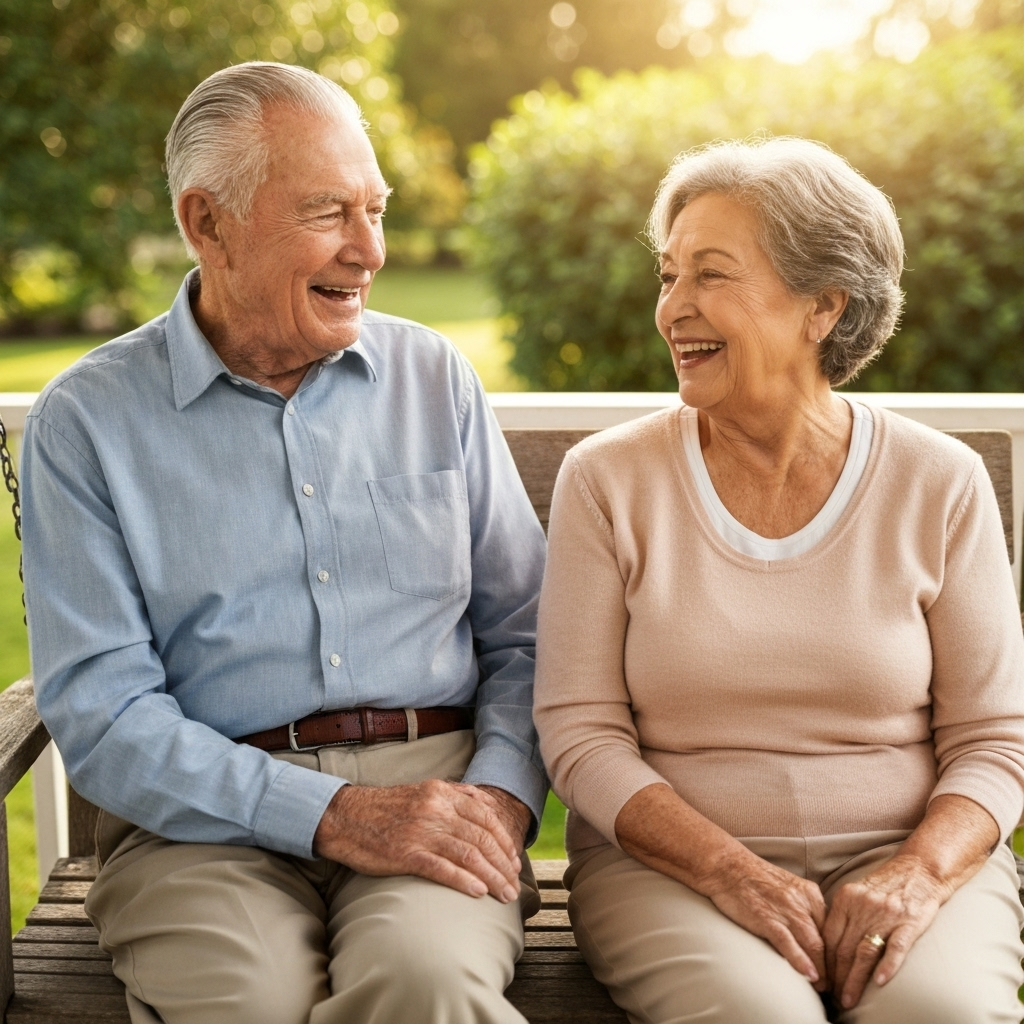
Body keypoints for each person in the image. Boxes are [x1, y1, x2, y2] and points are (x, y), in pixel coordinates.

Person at [20, 62, 548, 1024]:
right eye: (328, 212)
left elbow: (526, 635)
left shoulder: (434, 379)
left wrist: (502, 802)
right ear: (207, 224)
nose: (370, 250)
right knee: (249, 1005)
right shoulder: (86, 424)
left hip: (435, 788)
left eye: (376, 210)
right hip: (199, 827)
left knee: (425, 982)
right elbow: (100, 711)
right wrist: (331, 815)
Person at [533, 137, 1024, 1024]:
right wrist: (727, 869)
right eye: (669, 275)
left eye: (711, 276)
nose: (673, 308)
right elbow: (580, 732)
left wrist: (915, 874)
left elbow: (996, 740)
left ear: (822, 307)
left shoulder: (938, 481)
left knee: (939, 1013)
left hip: (907, 854)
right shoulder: (608, 480)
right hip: (672, 871)